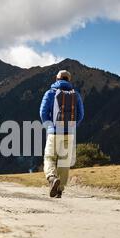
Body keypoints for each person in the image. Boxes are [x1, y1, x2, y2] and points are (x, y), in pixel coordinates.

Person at [39, 70, 84, 198]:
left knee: (49, 158)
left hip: (53, 132)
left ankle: (52, 178)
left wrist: (49, 127)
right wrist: (72, 126)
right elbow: (80, 115)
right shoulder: (76, 95)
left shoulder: (50, 93)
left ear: (56, 78)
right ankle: (60, 190)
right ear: (69, 80)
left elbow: (43, 112)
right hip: (68, 133)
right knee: (64, 162)